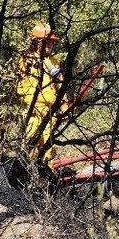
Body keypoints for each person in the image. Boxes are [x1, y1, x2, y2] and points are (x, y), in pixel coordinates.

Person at [17, 22, 69, 164]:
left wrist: (64, 104)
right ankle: (28, 173)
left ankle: (46, 175)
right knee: (32, 140)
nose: (51, 46)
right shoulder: (26, 60)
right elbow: (20, 85)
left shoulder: (54, 61)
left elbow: (60, 84)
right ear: (38, 42)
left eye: (53, 43)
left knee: (48, 145)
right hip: (33, 111)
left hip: (50, 111)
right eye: (48, 42)